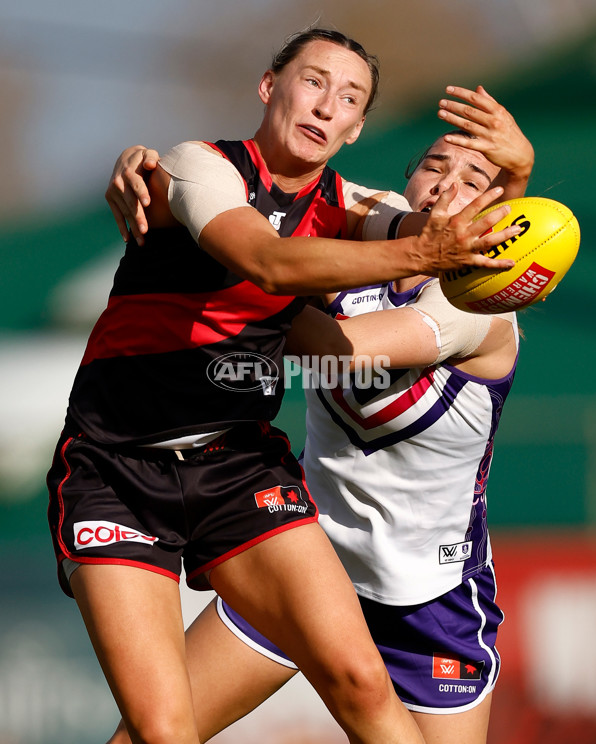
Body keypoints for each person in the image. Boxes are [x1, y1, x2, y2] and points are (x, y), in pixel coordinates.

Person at [47, 27, 523, 744]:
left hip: (414, 579)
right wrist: (153, 175)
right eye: (314, 81)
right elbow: (272, 264)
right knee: (159, 731)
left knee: (360, 683)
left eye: (350, 97)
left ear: (359, 127)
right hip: (122, 467)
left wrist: (517, 181)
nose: (328, 105)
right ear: (270, 86)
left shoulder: (444, 288)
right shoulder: (202, 169)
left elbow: (456, 256)